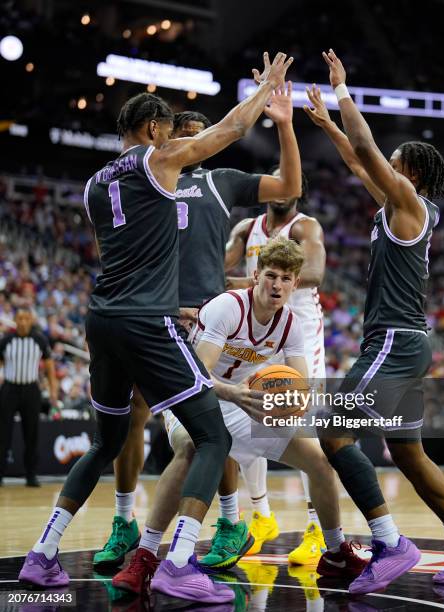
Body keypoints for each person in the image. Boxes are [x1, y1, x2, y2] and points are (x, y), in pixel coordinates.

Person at [18, 51, 294, 605]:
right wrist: (265, 90)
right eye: (167, 133)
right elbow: (235, 127)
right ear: (151, 130)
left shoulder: (96, 182)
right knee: (212, 436)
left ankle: (42, 554)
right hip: (148, 318)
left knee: (105, 444)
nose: (173, 143)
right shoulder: (157, 161)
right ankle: (180, 562)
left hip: (102, 319)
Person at [302, 49, 444, 594]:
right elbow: (360, 162)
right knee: (408, 451)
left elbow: (366, 150)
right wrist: (327, 127)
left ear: (409, 172)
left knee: (334, 431)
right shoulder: (398, 206)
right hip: (409, 343)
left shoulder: (409, 202)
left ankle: (390, 542)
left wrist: (343, 92)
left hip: (393, 342)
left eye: (394, 159)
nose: (383, 163)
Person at [93, 81, 303, 571]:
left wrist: (287, 126)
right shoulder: (144, 178)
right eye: (178, 132)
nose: (186, 139)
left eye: (195, 133)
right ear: (163, 138)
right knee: (132, 416)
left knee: (212, 421)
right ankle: (125, 521)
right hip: (153, 308)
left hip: (207, 314)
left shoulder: (219, 179)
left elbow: (289, 187)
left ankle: (230, 520)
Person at [112, 237, 366, 596]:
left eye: (285, 279)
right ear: (255, 276)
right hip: (194, 393)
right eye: (271, 276)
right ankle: (146, 557)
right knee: (192, 447)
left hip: (246, 398)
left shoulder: (292, 324)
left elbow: (300, 386)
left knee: (319, 463)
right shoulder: (227, 308)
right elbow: (198, 376)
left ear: (295, 284)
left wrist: (295, 403)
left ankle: (336, 551)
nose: (277, 285)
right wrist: (236, 394)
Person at [225, 169, 328, 564]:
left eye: (292, 182)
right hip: (256, 329)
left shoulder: (305, 227)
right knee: (245, 412)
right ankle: (262, 514)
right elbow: (217, 267)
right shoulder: (246, 227)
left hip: (299, 330)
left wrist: (248, 283)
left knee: (300, 421)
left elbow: (315, 273)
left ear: (299, 191)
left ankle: (317, 528)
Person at [0, 309, 58, 487]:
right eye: (20, 319)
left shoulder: (39, 339)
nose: (23, 322)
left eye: (26, 319)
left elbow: (49, 367)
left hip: (31, 390)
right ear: (15, 321)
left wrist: (53, 390)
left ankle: (31, 475)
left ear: (31, 320)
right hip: (9, 389)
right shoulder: (6, 340)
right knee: (3, 433)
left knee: (31, 433)